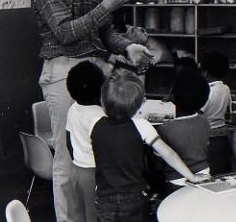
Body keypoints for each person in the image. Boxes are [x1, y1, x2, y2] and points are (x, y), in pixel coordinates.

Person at [33, 0, 152, 222]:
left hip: (95, 70)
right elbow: (65, 33)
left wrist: (127, 46)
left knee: (99, 152)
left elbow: (104, 33)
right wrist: (105, 9)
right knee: (67, 159)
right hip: (62, 71)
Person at [91, 69, 207, 222]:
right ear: (139, 105)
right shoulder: (141, 125)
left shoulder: (95, 124)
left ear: (102, 101)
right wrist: (191, 176)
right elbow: (168, 154)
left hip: (104, 198)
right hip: (135, 199)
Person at [157, 69, 211, 195]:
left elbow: (158, 164)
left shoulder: (166, 128)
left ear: (173, 96)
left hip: (176, 181)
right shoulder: (204, 121)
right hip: (204, 174)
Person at [65, 61, 105, 222]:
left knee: (78, 212)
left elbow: (68, 140)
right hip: (95, 172)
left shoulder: (73, 108)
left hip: (77, 170)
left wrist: (77, 159)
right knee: (94, 214)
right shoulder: (101, 115)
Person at [199, 51, 232, 174]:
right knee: (222, 169)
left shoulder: (206, 90)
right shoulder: (226, 88)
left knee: (210, 169)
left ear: (205, 73)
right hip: (222, 135)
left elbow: (200, 112)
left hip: (208, 136)